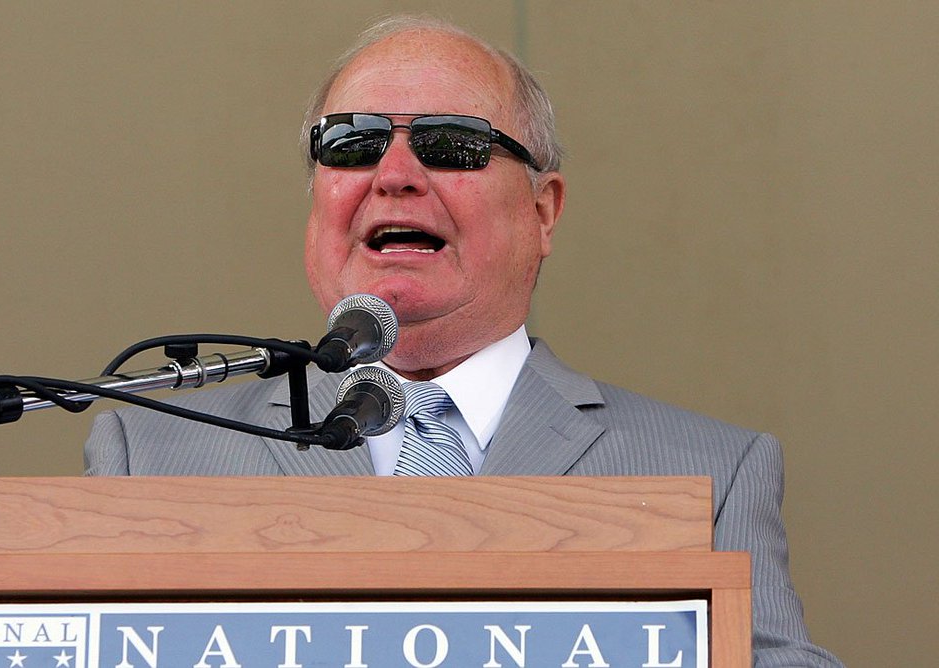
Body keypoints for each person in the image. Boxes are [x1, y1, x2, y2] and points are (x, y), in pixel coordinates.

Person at [85, 16, 842, 666]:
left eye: (451, 144)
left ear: (543, 211)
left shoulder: (713, 477)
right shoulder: (148, 461)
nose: (394, 174)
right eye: (353, 142)